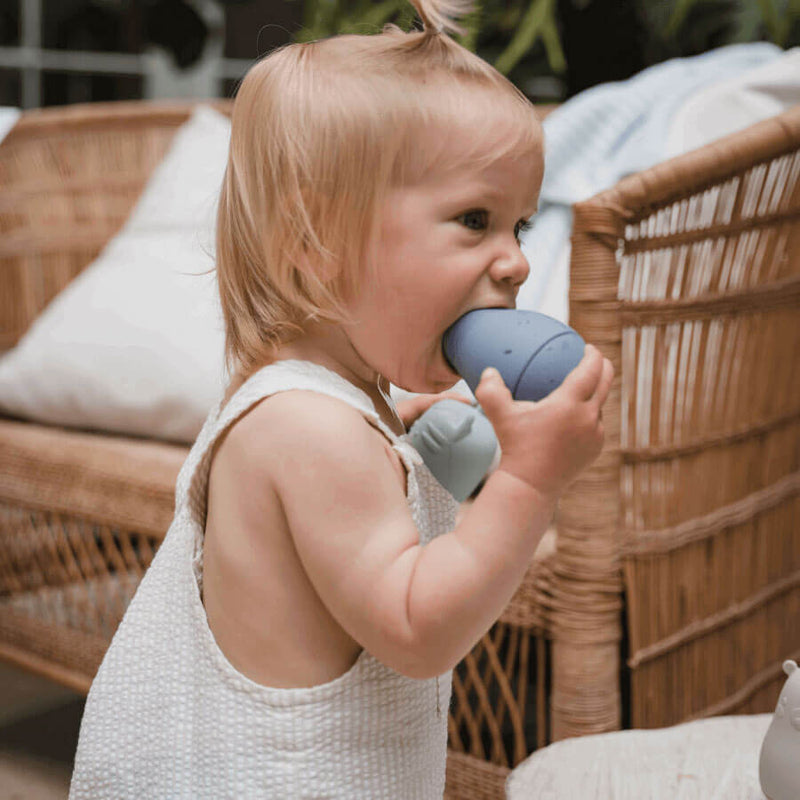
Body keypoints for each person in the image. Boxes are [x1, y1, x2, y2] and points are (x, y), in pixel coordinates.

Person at [69, 0, 614, 796]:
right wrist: (531, 485)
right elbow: (417, 628)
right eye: (475, 219)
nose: (517, 264)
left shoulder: (335, 410)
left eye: (520, 227)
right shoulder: (308, 429)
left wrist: (441, 453)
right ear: (314, 247)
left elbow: (375, 518)